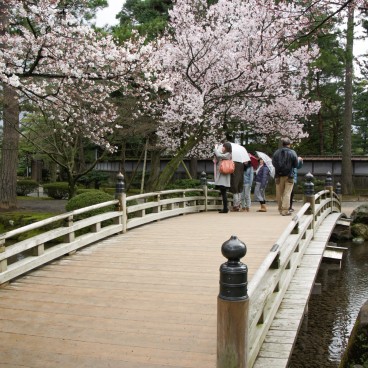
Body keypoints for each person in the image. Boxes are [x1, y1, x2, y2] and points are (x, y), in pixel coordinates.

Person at [272, 137, 298, 216]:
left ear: (282, 144)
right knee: (287, 193)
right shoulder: (293, 153)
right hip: (289, 175)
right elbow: (296, 164)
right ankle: (285, 210)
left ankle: (280, 209)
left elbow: (273, 163)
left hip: (278, 176)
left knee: (279, 193)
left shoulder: (276, 152)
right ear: (289, 144)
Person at [214, 142, 232, 213]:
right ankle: (225, 208)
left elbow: (219, 155)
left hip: (224, 177)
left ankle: (225, 208)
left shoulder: (228, 154)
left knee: (224, 192)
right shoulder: (226, 154)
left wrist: (215, 149)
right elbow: (219, 156)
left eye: (223, 147)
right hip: (223, 176)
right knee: (223, 192)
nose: (222, 148)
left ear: (226, 147)